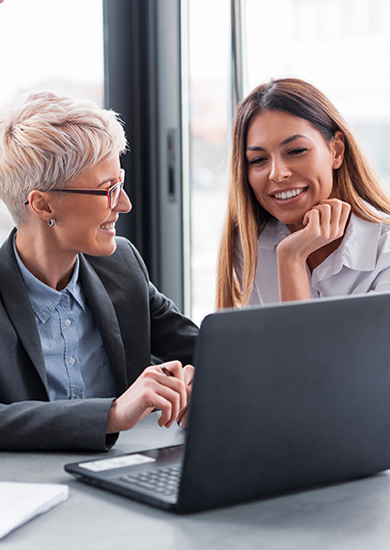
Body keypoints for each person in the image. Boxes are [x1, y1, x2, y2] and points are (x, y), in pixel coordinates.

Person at [0, 91, 198, 451]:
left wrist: (203, 376)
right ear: (43, 204)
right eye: (108, 190)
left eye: (120, 184)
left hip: (124, 484)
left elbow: (201, 349)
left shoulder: (121, 265)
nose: (124, 204)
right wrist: (111, 414)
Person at [216, 77, 390, 309]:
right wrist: (291, 257)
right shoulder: (250, 246)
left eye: (296, 150)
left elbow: (304, 347)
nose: (277, 174)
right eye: (258, 160)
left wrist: (291, 258)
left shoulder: (384, 250)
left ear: (336, 151)